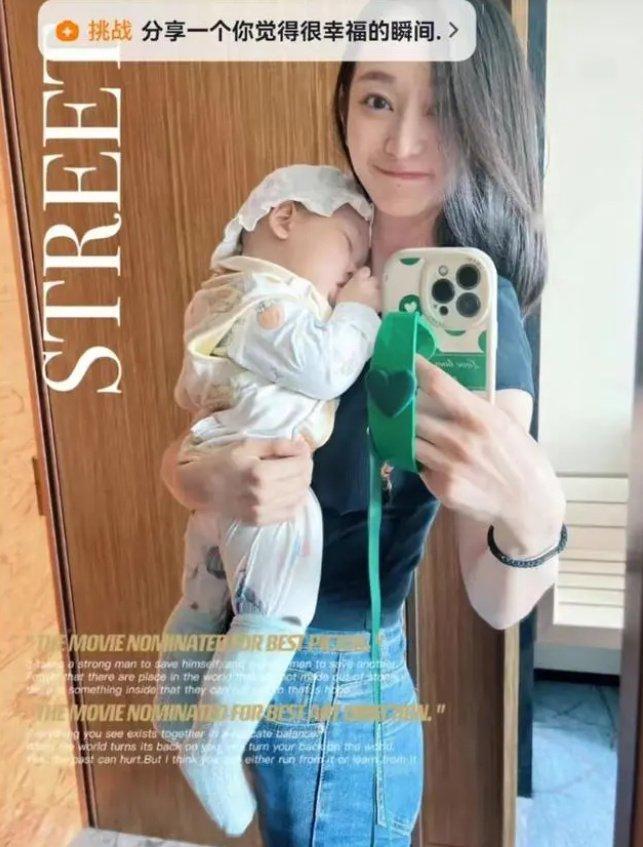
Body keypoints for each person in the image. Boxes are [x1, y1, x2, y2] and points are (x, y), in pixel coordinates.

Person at [159, 2, 567, 844]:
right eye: (378, 100)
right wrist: (200, 475)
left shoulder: (476, 318)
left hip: (335, 681)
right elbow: (207, 416)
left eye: (440, 109)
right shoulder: (303, 231)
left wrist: (533, 515)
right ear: (344, 102)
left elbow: (494, 600)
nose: (403, 142)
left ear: (482, 120)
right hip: (237, 645)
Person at [158, 164, 381, 836]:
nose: (354, 273)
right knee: (277, 609)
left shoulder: (230, 297)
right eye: (350, 251)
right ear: (285, 218)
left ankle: (177, 709)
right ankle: (214, 745)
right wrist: (359, 310)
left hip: (218, 479)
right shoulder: (265, 298)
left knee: (204, 601)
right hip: (266, 487)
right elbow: (326, 366)